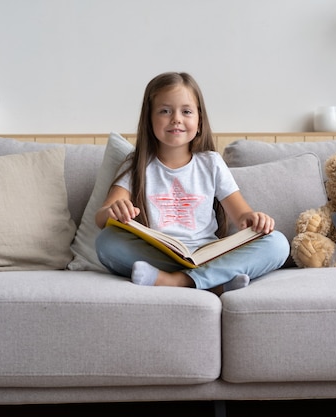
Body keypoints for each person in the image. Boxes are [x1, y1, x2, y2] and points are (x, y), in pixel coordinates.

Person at [95, 72, 290, 293]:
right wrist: (113, 210)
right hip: (160, 254)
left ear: (199, 122)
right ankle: (214, 283)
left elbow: (242, 216)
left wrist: (255, 218)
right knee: (106, 241)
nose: (176, 118)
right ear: (149, 120)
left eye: (186, 111)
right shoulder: (137, 166)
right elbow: (101, 218)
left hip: (209, 254)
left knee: (277, 243)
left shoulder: (211, 163)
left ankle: (178, 281)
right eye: (165, 111)